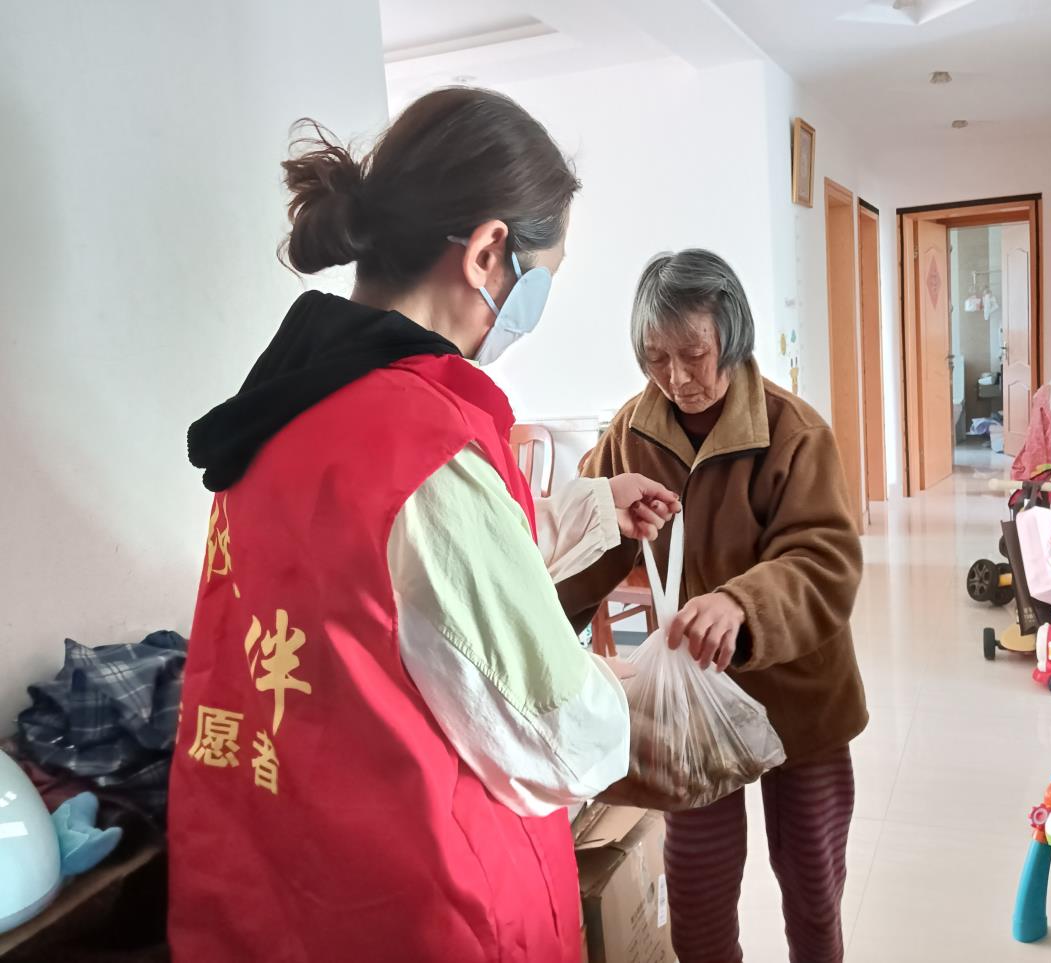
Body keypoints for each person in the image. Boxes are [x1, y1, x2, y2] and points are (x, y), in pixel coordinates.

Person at [169, 88, 680, 963]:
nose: (537, 302)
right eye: (542, 275)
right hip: (417, 905)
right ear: (489, 251)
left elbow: (390, 589)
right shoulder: (424, 443)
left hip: (270, 887)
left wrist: (589, 511)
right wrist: (635, 693)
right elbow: (554, 731)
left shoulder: (286, 409)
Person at [559, 249, 868, 963]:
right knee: (697, 890)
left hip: (799, 697)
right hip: (691, 700)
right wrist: (539, 619)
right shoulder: (631, 430)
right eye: (655, 358)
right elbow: (589, 539)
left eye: (694, 354)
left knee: (813, 884)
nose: (676, 378)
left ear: (731, 337)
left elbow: (824, 558)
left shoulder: (794, 432)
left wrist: (740, 603)